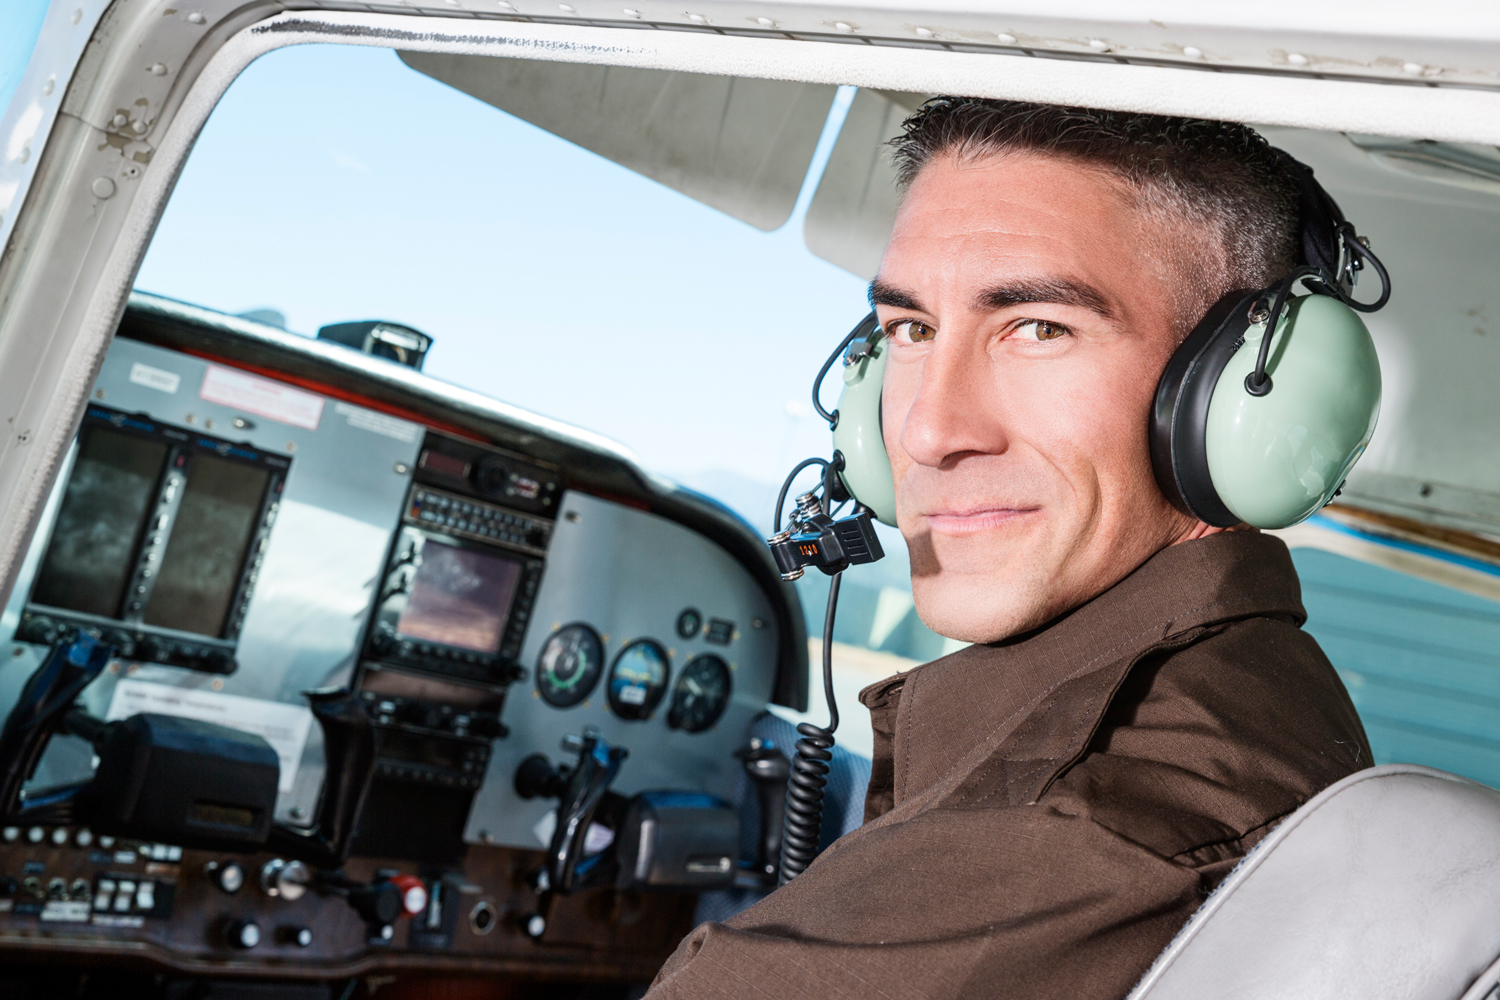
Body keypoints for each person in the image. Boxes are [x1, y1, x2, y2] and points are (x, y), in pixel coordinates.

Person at [646, 98, 1372, 1000]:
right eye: (910, 330)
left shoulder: (1073, 834)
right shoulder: (1255, 701)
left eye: (1038, 328)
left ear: (1245, 404)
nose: (925, 432)